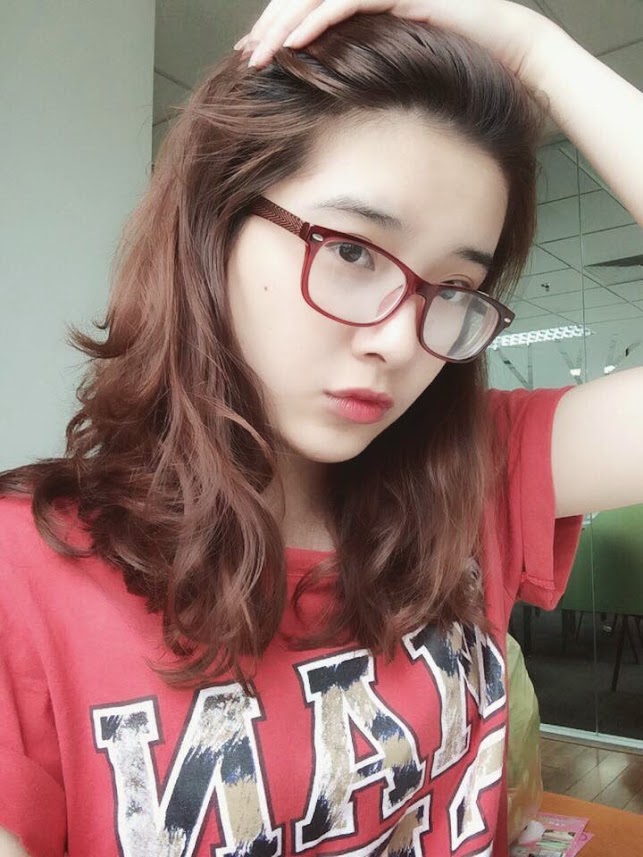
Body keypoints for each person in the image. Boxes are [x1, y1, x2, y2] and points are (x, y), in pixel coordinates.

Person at [0, 1, 642, 855]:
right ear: (212, 228)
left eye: (452, 289)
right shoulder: (25, 578)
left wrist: (536, 50)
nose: (398, 341)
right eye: (351, 250)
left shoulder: (472, 476)